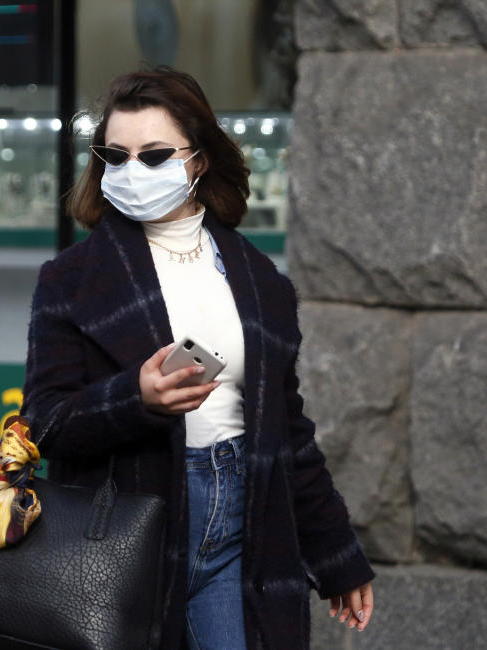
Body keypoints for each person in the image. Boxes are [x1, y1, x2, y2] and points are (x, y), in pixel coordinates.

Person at [21, 66, 374, 649]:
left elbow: (288, 432)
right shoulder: (71, 280)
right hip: (125, 529)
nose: (132, 171)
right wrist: (135, 398)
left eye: (155, 156)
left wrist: (338, 556)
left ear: (199, 160)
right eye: (115, 155)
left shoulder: (262, 282)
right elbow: (45, 423)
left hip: (247, 520)